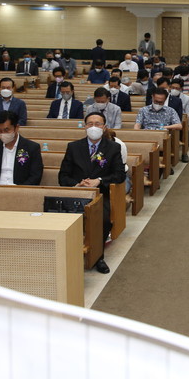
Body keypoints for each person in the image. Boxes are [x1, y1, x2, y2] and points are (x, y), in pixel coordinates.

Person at [59, 111, 125, 274]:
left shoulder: (113, 148)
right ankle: (64, 255)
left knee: (102, 219)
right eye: (90, 124)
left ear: (104, 127)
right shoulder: (74, 147)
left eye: (98, 124)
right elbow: (63, 176)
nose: (93, 127)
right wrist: (77, 184)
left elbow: (119, 175)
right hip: (77, 194)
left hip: (100, 195)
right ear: (84, 126)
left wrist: (99, 181)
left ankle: (98, 257)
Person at [0, 111, 43, 186]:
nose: (3, 133)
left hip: (20, 191)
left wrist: (20, 191)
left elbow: (35, 176)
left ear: (16, 128)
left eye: (6, 130)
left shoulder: (31, 148)